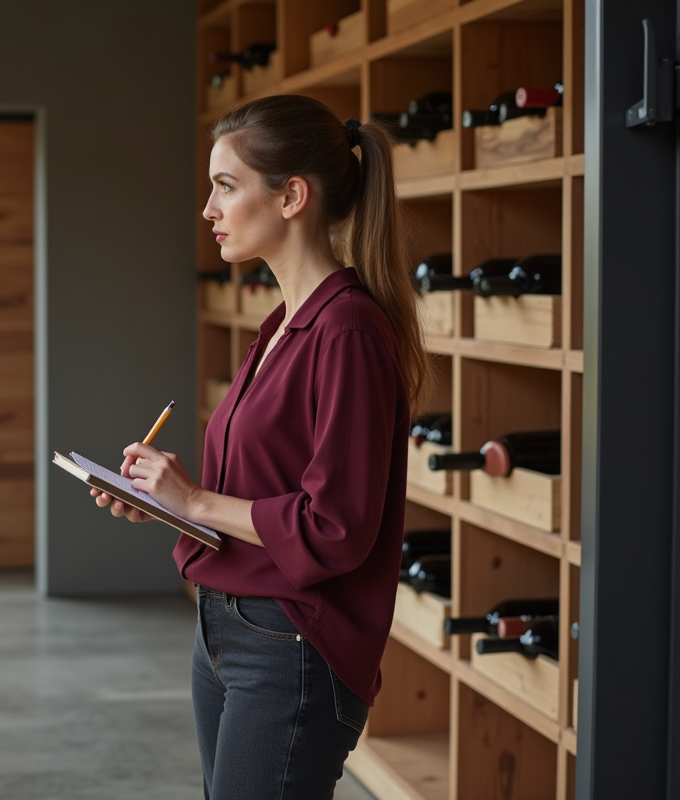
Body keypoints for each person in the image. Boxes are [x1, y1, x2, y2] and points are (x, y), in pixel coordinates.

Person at [90, 94, 432, 799]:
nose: (208, 210)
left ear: (291, 197)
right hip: (223, 629)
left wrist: (196, 498)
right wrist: (170, 504)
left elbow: (334, 527)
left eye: (226, 186)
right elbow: (266, 496)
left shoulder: (348, 332)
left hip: (290, 645)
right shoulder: (281, 325)